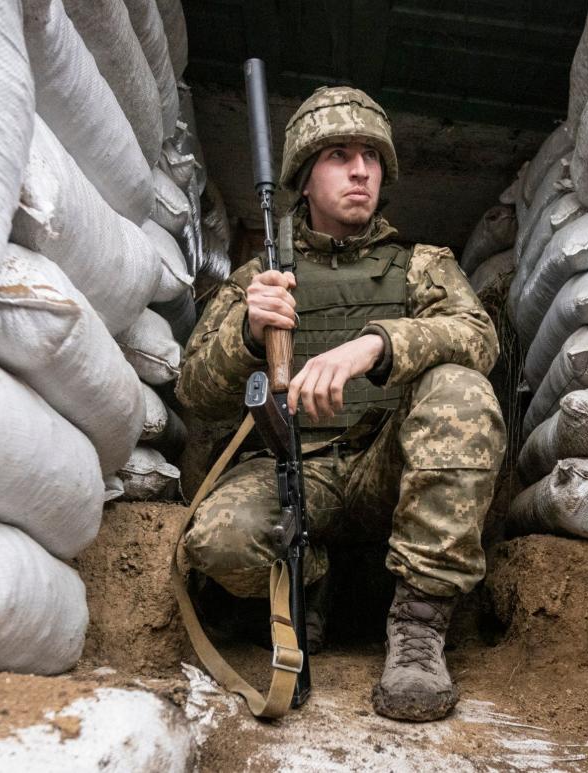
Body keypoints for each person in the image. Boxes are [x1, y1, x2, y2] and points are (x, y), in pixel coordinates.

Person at [174, 85, 505, 722]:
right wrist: (247, 333)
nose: (360, 170)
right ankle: (322, 585)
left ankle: (418, 631)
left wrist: (374, 346)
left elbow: (477, 336)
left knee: (462, 391)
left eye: (371, 157)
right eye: (338, 155)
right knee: (218, 541)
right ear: (302, 177)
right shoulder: (257, 280)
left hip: (391, 465)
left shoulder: (420, 266)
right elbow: (195, 393)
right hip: (296, 469)